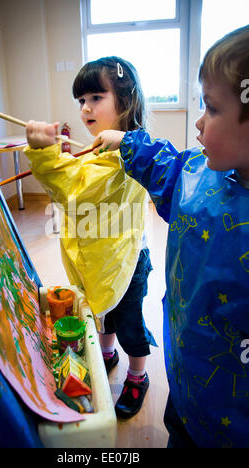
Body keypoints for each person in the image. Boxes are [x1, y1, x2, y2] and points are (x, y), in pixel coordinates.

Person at [91, 26, 249, 447]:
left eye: (211, 109)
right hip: (185, 379)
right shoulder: (200, 174)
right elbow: (170, 168)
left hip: (231, 420)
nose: (198, 122)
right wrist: (126, 141)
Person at [24, 56, 157, 418]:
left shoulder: (128, 151)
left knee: (130, 325)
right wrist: (69, 156)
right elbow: (86, 173)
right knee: (103, 312)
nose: (85, 108)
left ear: (126, 102)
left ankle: (137, 375)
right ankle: (107, 353)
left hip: (126, 262)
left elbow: (76, 190)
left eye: (96, 97)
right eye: (81, 100)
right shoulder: (106, 147)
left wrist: (45, 155)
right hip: (104, 254)